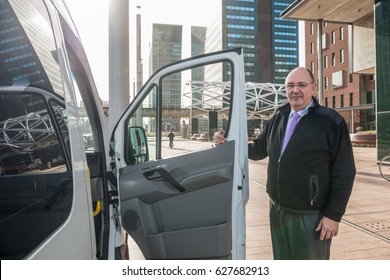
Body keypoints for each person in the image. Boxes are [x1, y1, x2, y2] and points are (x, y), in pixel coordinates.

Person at [214, 67, 356, 260]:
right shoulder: (278, 117)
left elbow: (345, 172)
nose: (295, 90)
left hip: (310, 216)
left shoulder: (331, 122)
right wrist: (228, 143)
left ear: (313, 87)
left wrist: (333, 215)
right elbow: (257, 149)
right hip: (278, 210)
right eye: (290, 85)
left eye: (301, 85)